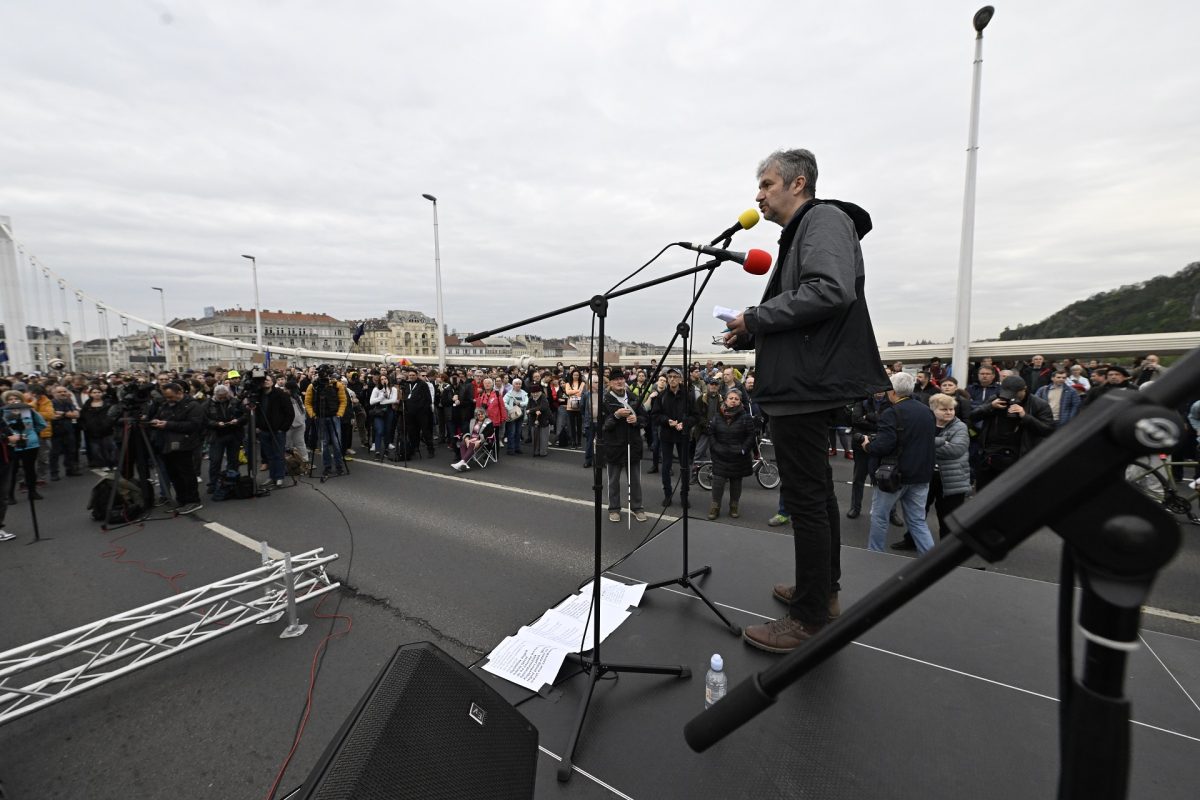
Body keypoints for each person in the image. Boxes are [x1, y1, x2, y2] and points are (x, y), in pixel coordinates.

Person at [724, 148, 889, 653]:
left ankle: (809, 618)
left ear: (798, 184)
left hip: (804, 387)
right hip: (802, 382)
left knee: (807, 500)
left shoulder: (823, 220)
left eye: (767, 184)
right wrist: (751, 332)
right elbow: (804, 309)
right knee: (815, 496)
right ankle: (821, 594)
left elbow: (829, 291)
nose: (758, 195)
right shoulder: (804, 231)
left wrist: (757, 318)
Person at [862, 372, 937, 554]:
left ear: (893, 391)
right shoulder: (926, 411)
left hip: (894, 475)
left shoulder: (892, 413)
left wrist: (867, 445)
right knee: (917, 521)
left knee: (880, 517)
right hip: (921, 474)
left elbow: (883, 445)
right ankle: (932, 560)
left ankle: (873, 555)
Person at [971, 375, 1055, 489]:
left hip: (1020, 456)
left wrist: (1025, 416)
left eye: (1014, 394)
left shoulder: (1039, 404)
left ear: (1024, 389)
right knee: (984, 491)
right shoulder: (997, 399)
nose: (1010, 397)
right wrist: (990, 406)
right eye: (1008, 393)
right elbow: (973, 416)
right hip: (990, 454)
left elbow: (1048, 430)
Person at [148, 382, 205, 514]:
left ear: (180, 393)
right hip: (166, 444)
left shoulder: (193, 405)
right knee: (174, 475)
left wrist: (168, 424)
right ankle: (182, 500)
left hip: (185, 444)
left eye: (171, 397)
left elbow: (193, 425)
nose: (168, 400)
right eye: (166, 397)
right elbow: (159, 416)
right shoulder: (165, 405)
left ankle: (193, 501)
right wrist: (155, 421)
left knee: (186, 474)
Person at [601, 368, 648, 523]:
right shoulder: (605, 400)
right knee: (613, 480)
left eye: (621, 379)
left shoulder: (634, 397)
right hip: (613, 446)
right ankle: (614, 508)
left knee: (635, 480)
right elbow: (603, 426)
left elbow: (645, 419)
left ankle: (637, 507)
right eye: (616, 380)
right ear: (610, 383)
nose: (619, 382)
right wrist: (616, 416)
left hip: (632, 445)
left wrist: (637, 420)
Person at [706, 387, 756, 519]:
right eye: (731, 398)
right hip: (720, 456)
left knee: (736, 483)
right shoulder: (717, 416)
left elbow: (751, 436)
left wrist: (743, 449)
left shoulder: (746, 417)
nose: (733, 401)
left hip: (738, 457)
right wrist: (715, 447)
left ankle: (734, 506)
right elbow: (711, 433)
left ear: (740, 401)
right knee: (718, 483)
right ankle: (715, 507)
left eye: (736, 399)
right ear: (726, 400)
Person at [650, 367, 696, 508]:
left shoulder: (688, 396)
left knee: (684, 466)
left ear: (680, 379)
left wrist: (685, 423)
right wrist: (667, 421)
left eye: (675, 376)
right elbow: (655, 415)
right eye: (670, 377)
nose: (672, 379)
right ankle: (667, 495)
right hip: (667, 434)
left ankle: (684, 495)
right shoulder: (662, 396)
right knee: (666, 466)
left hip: (683, 435)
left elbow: (695, 415)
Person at [927, 393, 971, 537]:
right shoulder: (926, 424)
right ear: (933, 410)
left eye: (951, 409)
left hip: (953, 479)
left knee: (948, 518)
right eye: (944, 409)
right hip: (928, 475)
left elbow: (955, 450)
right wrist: (943, 442)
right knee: (918, 512)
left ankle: (946, 547)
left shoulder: (960, 427)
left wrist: (927, 444)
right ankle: (911, 540)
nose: (949, 412)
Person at [2, 390, 47, 505]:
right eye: (10, 399)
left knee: (30, 468)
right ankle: (10, 495)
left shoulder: (28, 410)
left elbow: (42, 424)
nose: (14, 401)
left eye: (16, 398)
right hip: (12, 445)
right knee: (13, 470)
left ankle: (32, 492)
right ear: (6, 401)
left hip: (30, 444)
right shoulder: (3, 412)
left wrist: (31, 434)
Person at [304, 365, 348, 477]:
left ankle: (339, 466)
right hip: (320, 418)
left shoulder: (337, 385)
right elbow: (307, 402)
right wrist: (313, 415)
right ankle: (327, 467)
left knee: (337, 443)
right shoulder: (313, 386)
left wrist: (339, 414)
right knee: (324, 444)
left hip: (334, 417)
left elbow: (343, 401)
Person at [205, 384, 246, 494]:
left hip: (234, 434)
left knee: (233, 460)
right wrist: (216, 424)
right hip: (216, 435)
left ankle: (232, 480)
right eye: (220, 397)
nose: (223, 399)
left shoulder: (235, 401)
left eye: (224, 396)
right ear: (215, 395)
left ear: (228, 394)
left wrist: (238, 420)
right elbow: (204, 420)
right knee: (215, 461)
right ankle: (213, 483)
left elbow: (245, 415)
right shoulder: (208, 404)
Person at [79, 386, 117, 469]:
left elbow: (113, 415)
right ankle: (103, 464)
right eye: (94, 392)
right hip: (92, 431)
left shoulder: (108, 404)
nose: (97, 394)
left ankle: (113, 463)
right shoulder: (87, 405)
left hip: (107, 430)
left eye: (99, 392)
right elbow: (82, 417)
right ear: (90, 394)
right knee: (96, 449)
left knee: (110, 447)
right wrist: (85, 427)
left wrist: (109, 424)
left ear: (102, 393)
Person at [451, 407, 494, 471]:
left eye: (482, 414)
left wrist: (479, 440)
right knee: (462, 443)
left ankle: (462, 462)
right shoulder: (472, 421)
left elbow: (489, 432)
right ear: (476, 415)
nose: (480, 415)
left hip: (482, 440)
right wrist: (466, 439)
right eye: (478, 414)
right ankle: (463, 463)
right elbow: (466, 430)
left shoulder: (488, 422)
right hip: (471, 438)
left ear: (485, 414)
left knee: (472, 444)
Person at [369, 374, 399, 458]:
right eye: (382, 379)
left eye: (385, 378)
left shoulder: (393, 389)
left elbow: (394, 400)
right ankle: (377, 451)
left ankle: (386, 449)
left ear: (388, 379)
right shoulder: (376, 389)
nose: (384, 380)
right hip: (379, 411)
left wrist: (382, 401)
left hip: (389, 411)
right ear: (379, 381)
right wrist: (382, 397)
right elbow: (371, 402)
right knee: (379, 430)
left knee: (387, 431)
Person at [503, 377, 529, 455]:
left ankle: (517, 448)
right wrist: (510, 409)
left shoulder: (524, 393)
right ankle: (510, 449)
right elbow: (504, 402)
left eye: (519, 384)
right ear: (513, 385)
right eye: (516, 384)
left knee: (518, 432)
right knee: (512, 432)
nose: (518, 385)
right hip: (512, 415)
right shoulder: (509, 393)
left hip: (521, 415)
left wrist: (520, 404)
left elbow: (527, 402)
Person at [526, 382, 552, 456]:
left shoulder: (543, 397)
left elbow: (543, 407)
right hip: (534, 420)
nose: (535, 394)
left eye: (536, 392)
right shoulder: (530, 398)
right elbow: (527, 408)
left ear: (540, 392)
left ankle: (543, 452)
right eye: (533, 393)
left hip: (544, 420)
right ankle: (536, 451)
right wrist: (535, 411)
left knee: (544, 437)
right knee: (535, 437)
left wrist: (532, 410)